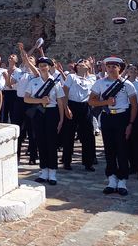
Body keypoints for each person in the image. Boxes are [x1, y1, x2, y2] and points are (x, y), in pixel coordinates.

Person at [89, 56, 138, 196]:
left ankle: (122, 180)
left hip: (122, 117)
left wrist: (131, 124)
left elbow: (134, 105)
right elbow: (91, 101)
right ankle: (111, 179)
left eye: (114, 66)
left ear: (119, 68)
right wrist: (106, 102)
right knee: (109, 149)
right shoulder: (99, 83)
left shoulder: (127, 84)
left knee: (122, 149)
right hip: (107, 116)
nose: (111, 69)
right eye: (109, 66)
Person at [24, 57, 67, 185]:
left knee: (52, 142)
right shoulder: (33, 82)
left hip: (51, 112)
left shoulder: (56, 82)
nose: (43, 67)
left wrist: (61, 119)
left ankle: (52, 171)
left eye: (45, 65)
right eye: (41, 65)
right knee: (40, 141)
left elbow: (60, 102)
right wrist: (40, 101)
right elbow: (26, 99)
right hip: (38, 113)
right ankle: (43, 171)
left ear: (49, 67)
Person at [63, 58, 96, 171]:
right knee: (69, 134)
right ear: (77, 67)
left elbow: (95, 92)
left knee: (88, 135)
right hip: (72, 105)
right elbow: (65, 92)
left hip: (85, 106)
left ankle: (88, 162)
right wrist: (66, 107)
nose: (82, 64)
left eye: (85, 62)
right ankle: (66, 161)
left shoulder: (92, 78)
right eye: (80, 63)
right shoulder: (71, 77)